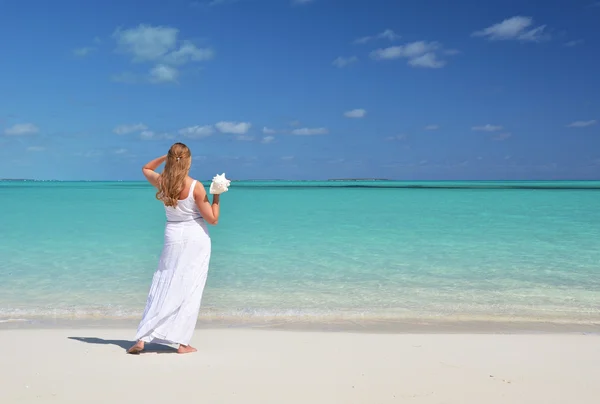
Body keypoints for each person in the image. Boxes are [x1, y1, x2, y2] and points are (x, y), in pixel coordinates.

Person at [127, 142, 221, 354]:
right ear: (188, 160)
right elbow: (213, 219)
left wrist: (166, 158)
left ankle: (142, 338)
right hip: (195, 237)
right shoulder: (195, 186)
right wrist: (216, 195)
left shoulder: (163, 181)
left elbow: (146, 168)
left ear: (171, 159)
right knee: (190, 287)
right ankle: (182, 343)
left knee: (163, 281)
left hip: (172, 234)